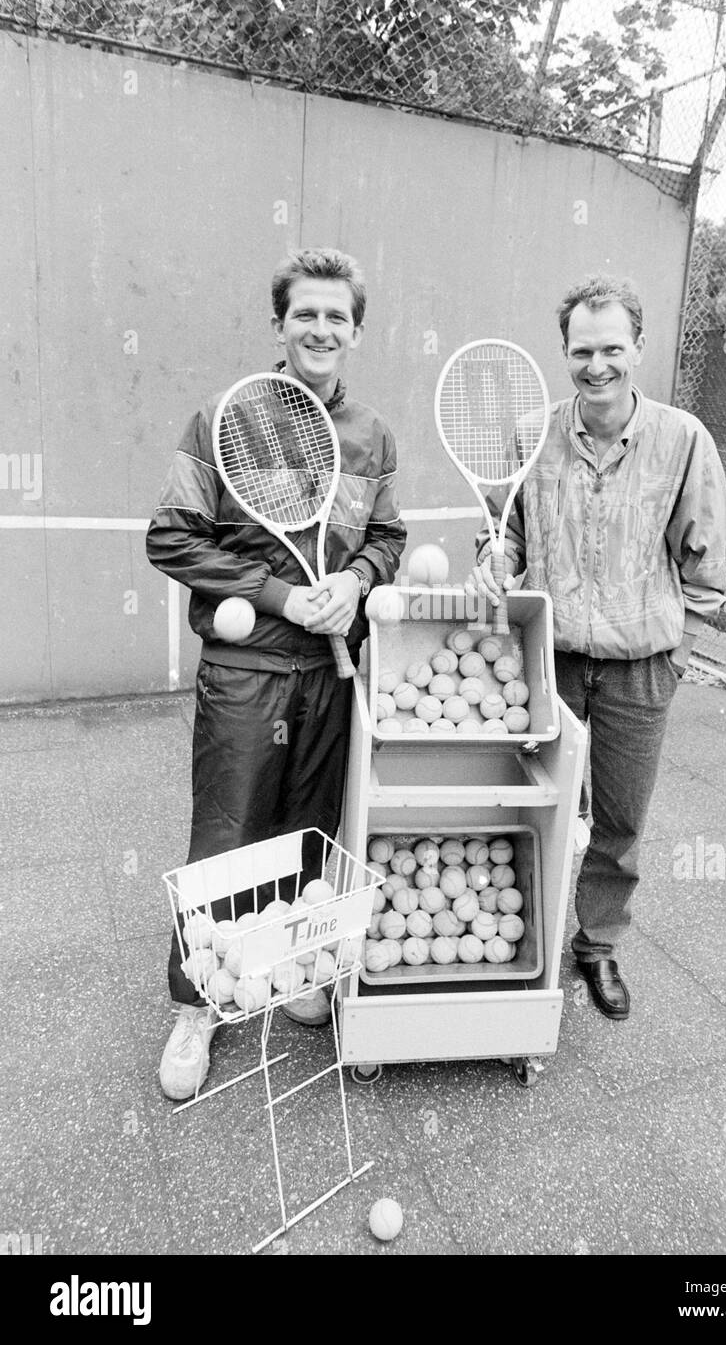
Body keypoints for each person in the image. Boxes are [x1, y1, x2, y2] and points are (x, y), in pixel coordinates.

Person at [147, 247, 406, 1097]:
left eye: (337, 316)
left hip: (332, 674)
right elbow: (172, 537)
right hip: (247, 667)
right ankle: (195, 1007)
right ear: (279, 324)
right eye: (305, 313)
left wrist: (356, 582)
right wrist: (280, 596)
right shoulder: (221, 416)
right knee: (227, 836)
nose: (321, 328)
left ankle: (288, 967)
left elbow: (388, 540)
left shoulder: (372, 434)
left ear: (356, 330)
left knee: (307, 831)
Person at [467, 274, 726, 1020]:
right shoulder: (531, 433)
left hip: (641, 671)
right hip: (545, 664)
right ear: (565, 354)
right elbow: (503, 533)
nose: (596, 365)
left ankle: (597, 946)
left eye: (612, 348)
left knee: (617, 821)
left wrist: (678, 656)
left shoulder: (682, 440)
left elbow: (704, 563)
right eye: (582, 351)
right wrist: (492, 558)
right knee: (532, 806)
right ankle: (523, 938)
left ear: (638, 348)